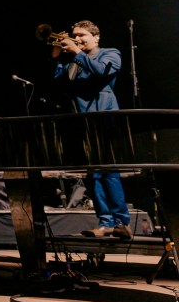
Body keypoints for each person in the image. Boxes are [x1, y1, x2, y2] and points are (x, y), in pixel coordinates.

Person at [51, 19, 131, 239]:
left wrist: (77, 51)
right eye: (74, 35)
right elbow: (60, 86)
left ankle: (122, 222)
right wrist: (58, 57)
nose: (77, 39)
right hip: (82, 122)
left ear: (96, 37)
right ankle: (105, 222)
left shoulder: (110, 53)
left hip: (104, 119)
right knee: (92, 175)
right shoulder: (74, 61)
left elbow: (101, 73)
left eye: (82, 35)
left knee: (109, 172)